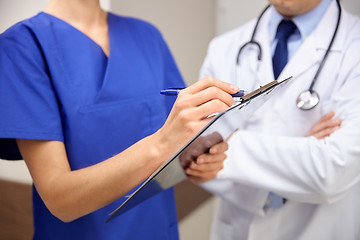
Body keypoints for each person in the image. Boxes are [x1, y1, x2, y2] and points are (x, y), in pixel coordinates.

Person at [0, 0, 238, 239]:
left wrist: (196, 163)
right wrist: (161, 145)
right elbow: (59, 200)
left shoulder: (147, 36)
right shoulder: (23, 46)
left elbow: (177, 145)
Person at [199, 0, 360, 239]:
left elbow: (332, 171)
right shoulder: (225, 47)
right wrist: (303, 150)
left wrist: (223, 149)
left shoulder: (354, 46)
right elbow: (195, 162)